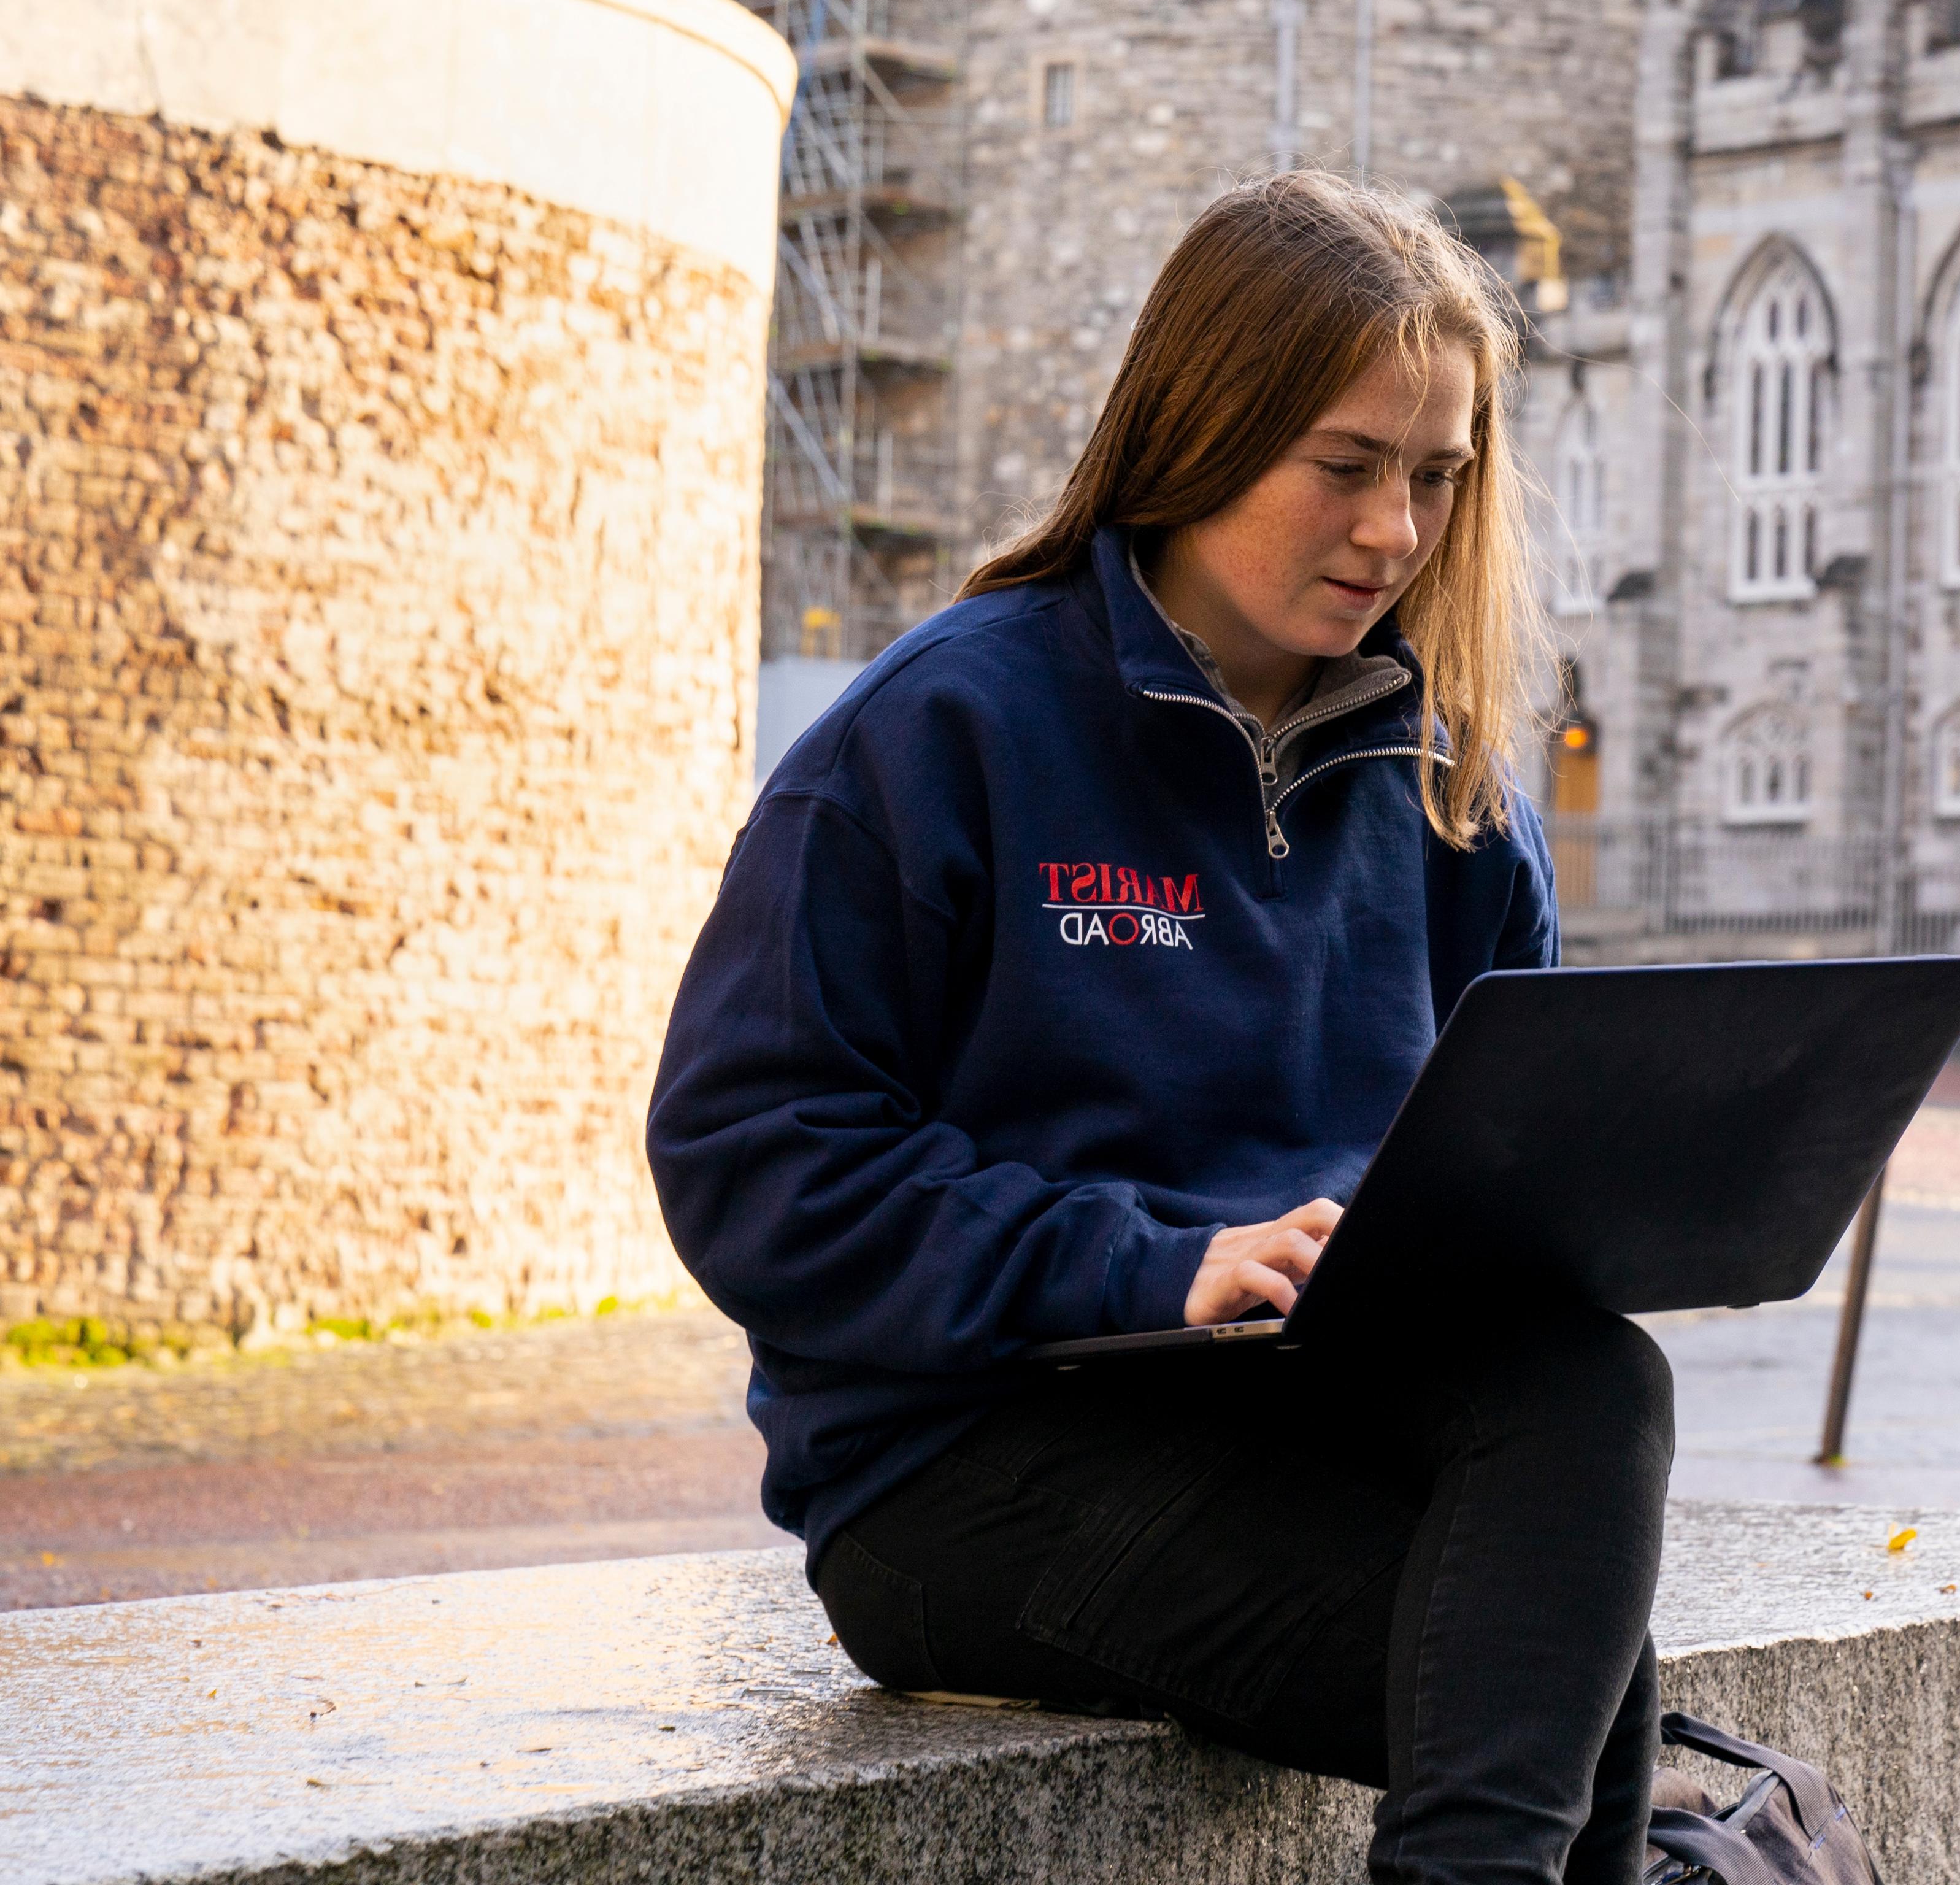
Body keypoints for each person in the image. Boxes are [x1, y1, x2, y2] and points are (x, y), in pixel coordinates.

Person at [645, 173, 1672, 1885]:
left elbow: (1500, 1159)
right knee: (1574, 1706)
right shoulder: (944, 732)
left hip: (1292, 1409)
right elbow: (751, 1162)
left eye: (1437, 477)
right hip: (961, 1467)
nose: (1394, 535)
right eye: (1344, 467)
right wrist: (1147, 1263)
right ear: (1197, 430)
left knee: (1588, 1383)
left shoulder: (1456, 789)